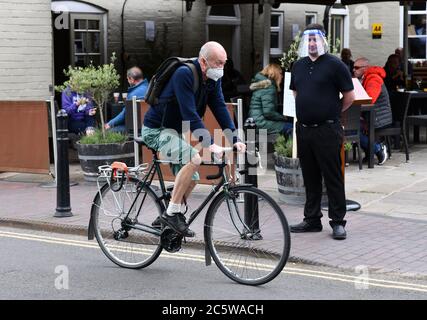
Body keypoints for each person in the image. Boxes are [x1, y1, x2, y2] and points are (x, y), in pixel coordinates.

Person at [141, 41, 246, 236]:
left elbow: (220, 107)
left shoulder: (213, 80)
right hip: (156, 130)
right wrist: (211, 144)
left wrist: (235, 138)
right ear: (203, 62)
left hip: (174, 131)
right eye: (218, 63)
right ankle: (172, 212)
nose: (221, 68)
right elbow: (190, 114)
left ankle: (169, 216)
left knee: (193, 177)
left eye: (224, 63)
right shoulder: (184, 74)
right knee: (194, 159)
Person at [289, 24, 355, 240]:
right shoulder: (297, 65)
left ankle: (337, 222)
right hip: (305, 131)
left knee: (333, 177)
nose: (311, 44)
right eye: (308, 40)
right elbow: (296, 93)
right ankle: (312, 219)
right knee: (310, 177)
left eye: (315, 40)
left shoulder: (336, 65)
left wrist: (331, 112)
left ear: (323, 41)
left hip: (328, 129)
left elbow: (349, 96)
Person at [353, 57, 392, 165]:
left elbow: (369, 101)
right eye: (353, 67)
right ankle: (371, 151)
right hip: (371, 116)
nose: (353, 70)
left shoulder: (374, 79)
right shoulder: (364, 79)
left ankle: (378, 149)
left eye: (356, 67)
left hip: (379, 118)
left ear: (365, 68)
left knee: (352, 129)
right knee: (348, 126)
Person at [247, 63, 293, 136]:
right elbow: (268, 112)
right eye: (280, 73)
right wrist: (283, 118)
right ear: (276, 74)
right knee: (291, 127)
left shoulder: (263, 84)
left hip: (254, 121)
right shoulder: (269, 87)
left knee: (288, 125)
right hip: (260, 123)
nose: (282, 76)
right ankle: (288, 147)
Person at [105, 67, 149, 133]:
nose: (128, 81)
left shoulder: (133, 94)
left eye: (128, 79)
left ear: (132, 79)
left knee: (108, 132)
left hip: (135, 129)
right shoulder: (149, 88)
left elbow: (124, 115)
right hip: (148, 126)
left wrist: (110, 124)